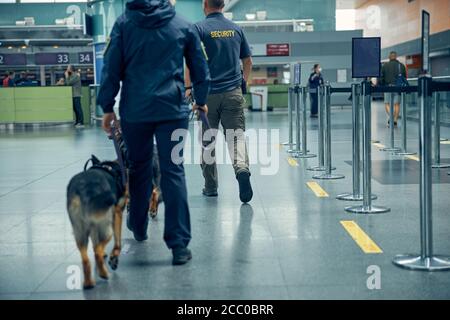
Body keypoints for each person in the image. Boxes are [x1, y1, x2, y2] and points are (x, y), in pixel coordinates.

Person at [97, 0, 210, 265]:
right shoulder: (183, 25)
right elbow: (200, 68)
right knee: (173, 171)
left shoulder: (124, 25)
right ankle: (179, 245)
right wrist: (201, 98)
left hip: (135, 112)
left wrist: (106, 107)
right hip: (172, 111)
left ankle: (137, 225)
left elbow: (111, 68)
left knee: (138, 167)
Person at [185, 0, 253, 203]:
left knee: (208, 144)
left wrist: (188, 89)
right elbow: (248, 61)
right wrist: (242, 83)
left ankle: (211, 187)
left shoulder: (198, 29)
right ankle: (241, 168)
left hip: (206, 97)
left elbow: (191, 62)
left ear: (205, 5)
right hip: (233, 93)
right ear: (223, 5)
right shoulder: (236, 29)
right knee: (236, 138)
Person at [380, 51, 406, 127]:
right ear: (396, 56)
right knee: (397, 104)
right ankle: (395, 120)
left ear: (389, 57)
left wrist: (382, 85)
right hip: (398, 87)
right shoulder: (401, 66)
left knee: (387, 103)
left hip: (388, 87)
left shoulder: (385, 66)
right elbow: (404, 77)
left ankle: (391, 117)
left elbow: (381, 78)